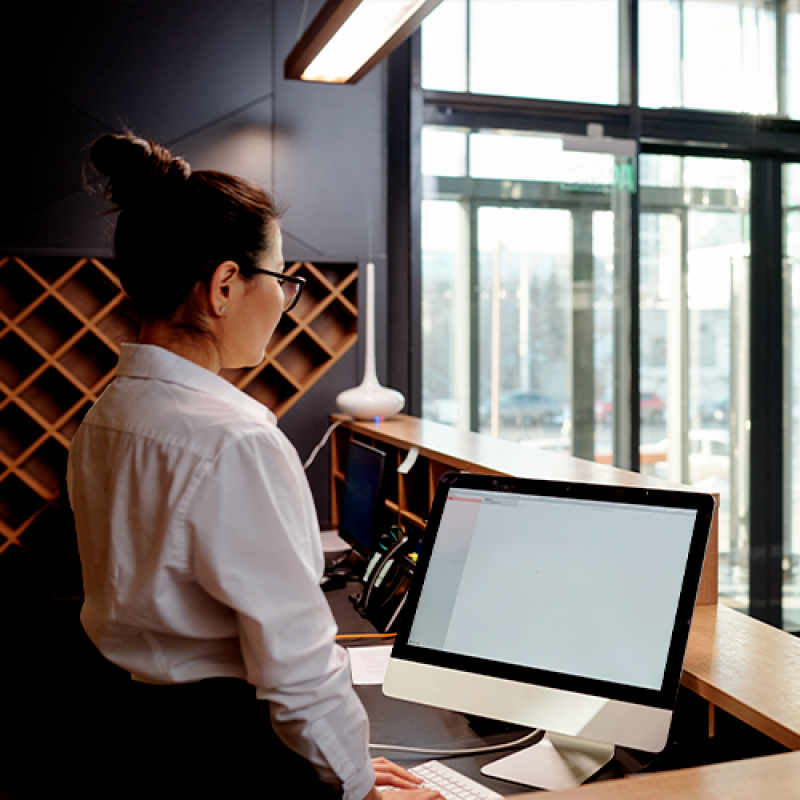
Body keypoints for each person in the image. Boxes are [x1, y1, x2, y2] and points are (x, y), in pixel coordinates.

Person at [66, 133, 442, 800]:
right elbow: (297, 663)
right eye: (284, 279)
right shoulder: (234, 437)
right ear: (225, 285)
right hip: (228, 752)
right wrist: (356, 780)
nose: (285, 300)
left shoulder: (109, 414)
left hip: (134, 737)